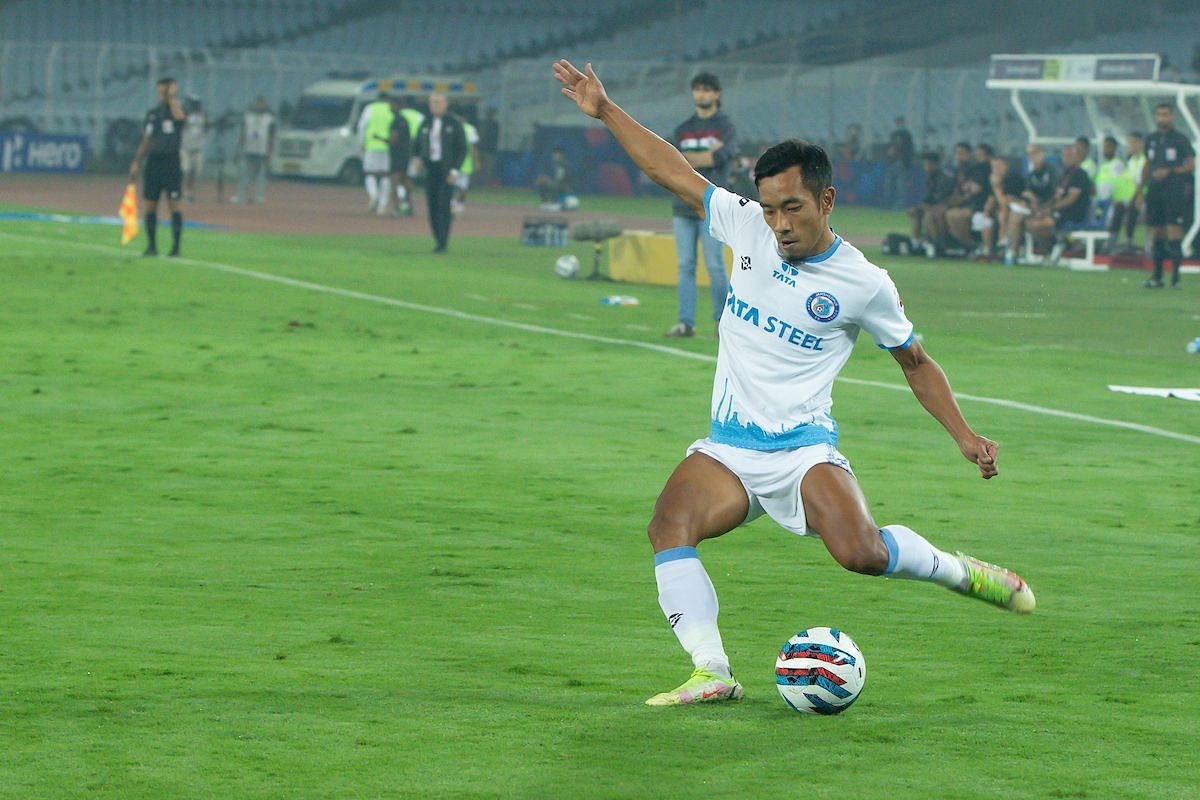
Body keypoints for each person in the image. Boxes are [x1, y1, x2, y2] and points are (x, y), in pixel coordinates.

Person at [553, 59, 1035, 707]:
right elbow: (670, 170)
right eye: (772, 207)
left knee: (861, 554)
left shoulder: (863, 283)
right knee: (670, 526)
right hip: (729, 447)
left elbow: (914, 362)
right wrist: (606, 109)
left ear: (825, 201)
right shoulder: (746, 224)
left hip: (803, 449)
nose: (779, 223)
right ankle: (712, 670)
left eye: (793, 208)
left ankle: (962, 572)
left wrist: (965, 435)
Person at [667, 71, 738, 338]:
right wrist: (706, 155)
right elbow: (674, 162)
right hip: (683, 204)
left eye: (707, 89)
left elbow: (723, 156)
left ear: (717, 94)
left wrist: (691, 158)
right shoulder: (683, 128)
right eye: (697, 89)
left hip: (712, 205)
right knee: (685, 265)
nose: (702, 94)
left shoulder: (726, 126)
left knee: (714, 264)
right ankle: (686, 323)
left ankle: (723, 322)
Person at [1137, 103, 1195, 288]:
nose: (1162, 118)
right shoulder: (1152, 139)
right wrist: (1140, 190)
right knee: (1157, 232)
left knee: (1173, 231)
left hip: (1173, 191)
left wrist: (1169, 171)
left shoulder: (1180, 139)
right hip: (1154, 192)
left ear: (1172, 117)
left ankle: (1176, 278)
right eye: (1159, 114)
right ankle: (1157, 277)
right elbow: (1148, 164)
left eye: (1165, 114)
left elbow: (1190, 165)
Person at [129, 77, 186, 257]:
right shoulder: (152, 114)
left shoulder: (176, 110)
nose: (161, 94)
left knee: (173, 204)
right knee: (150, 205)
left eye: (165, 91)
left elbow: (180, 119)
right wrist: (137, 161)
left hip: (171, 163)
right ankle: (151, 246)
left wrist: (172, 99)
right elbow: (147, 139)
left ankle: (175, 247)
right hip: (154, 163)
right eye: (160, 91)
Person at [410, 92, 467, 253]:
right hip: (431, 169)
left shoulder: (454, 123)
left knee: (443, 205)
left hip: (446, 170)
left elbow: (462, 149)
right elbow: (416, 144)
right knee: (432, 205)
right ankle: (437, 238)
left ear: (445, 104)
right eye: (432, 102)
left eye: (437, 102)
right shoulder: (426, 122)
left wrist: (455, 170)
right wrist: (416, 158)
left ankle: (443, 242)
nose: (434, 105)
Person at [1026, 144, 1093, 263]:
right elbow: (1057, 195)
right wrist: (1045, 207)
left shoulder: (1079, 174)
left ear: (1077, 156)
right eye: (1065, 155)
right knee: (1030, 223)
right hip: (1060, 212)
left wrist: (1051, 209)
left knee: (1037, 224)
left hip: (1073, 213)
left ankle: (1057, 244)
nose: (1066, 158)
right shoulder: (1066, 174)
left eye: (1070, 155)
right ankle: (1054, 245)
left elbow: (1071, 198)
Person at [907, 151, 954, 254]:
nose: (925, 167)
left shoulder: (944, 178)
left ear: (935, 164)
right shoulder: (932, 177)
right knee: (916, 213)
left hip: (945, 206)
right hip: (936, 206)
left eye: (927, 164)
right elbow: (929, 198)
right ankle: (915, 242)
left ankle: (936, 243)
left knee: (929, 215)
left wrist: (924, 206)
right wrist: (919, 207)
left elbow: (940, 198)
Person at [231, 96, 275, 205]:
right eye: (257, 103)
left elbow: (271, 136)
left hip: (262, 150)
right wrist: (238, 149)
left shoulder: (269, 119)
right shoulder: (248, 117)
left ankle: (259, 196)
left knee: (261, 175)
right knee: (245, 174)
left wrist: (270, 151)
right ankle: (240, 196)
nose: (259, 105)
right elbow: (243, 134)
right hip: (249, 149)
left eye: (261, 103)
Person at [357, 93, 395, 215]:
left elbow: (362, 126)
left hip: (372, 145)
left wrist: (361, 142)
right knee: (386, 175)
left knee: (369, 173)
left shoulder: (370, 108)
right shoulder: (391, 109)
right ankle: (382, 205)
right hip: (387, 147)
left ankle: (373, 194)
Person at [1107, 132, 1146, 252]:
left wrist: (1138, 195)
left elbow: (1143, 182)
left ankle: (1129, 241)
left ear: (1141, 143)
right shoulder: (1130, 162)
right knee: (1119, 207)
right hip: (1131, 196)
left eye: (1133, 142)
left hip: (1145, 197)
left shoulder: (1146, 160)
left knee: (1131, 208)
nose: (1130, 146)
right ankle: (1111, 242)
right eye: (1129, 143)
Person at [386, 95, 413, 216]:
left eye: (391, 104)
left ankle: (396, 209)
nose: (390, 107)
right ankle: (408, 206)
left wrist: (385, 140)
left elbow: (393, 139)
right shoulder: (405, 120)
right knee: (405, 180)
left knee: (394, 183)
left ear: (396, 105)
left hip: (396, 155)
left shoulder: (395, 121)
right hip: (406, 154)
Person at [884, 116, 915, 210]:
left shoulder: (905, 134)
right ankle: (889, 204)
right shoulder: (895, 134)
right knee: (890, 185)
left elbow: (908, 149)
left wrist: (906, 161)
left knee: (900, 185)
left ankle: (899, 206)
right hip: (893, 162)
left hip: (900, 162)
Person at [451, 117, 480, 217]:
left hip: (465, 163)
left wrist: (475, 161)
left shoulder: (470, 129)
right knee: (452, 186)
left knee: (463, 188)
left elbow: (473, 147)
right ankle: (454, 207)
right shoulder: (452, 127)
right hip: (453, 163)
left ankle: (459, 206)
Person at [180, 95, 207, 202]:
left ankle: (189, 192)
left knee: (195, 171)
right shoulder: (184, 116)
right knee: (185, 170)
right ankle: (182, 190)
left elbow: (206, 127)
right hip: (186, 148)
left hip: (197, 148)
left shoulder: (202, 117)